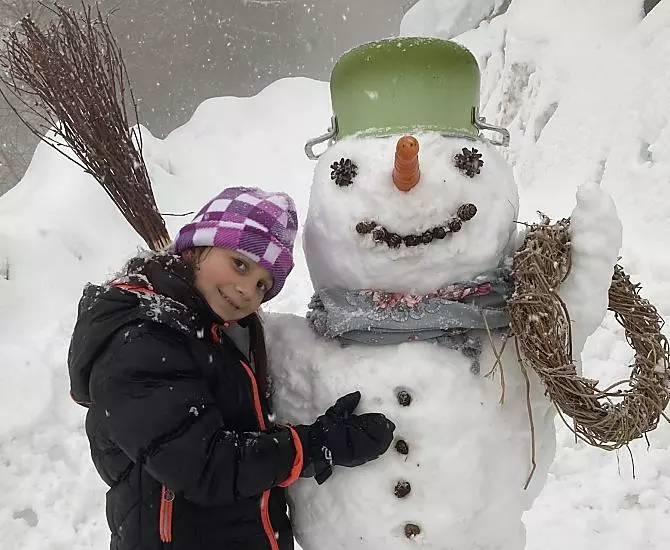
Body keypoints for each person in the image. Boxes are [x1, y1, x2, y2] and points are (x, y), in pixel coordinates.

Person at [67, 186, 396, 550]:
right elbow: (204, 466)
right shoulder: (141, 341)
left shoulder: (211, 330)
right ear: (198, 247)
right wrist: (317, 444)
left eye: (262, 285)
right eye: (240, 264)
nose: (246, 291)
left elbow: (227, 432)